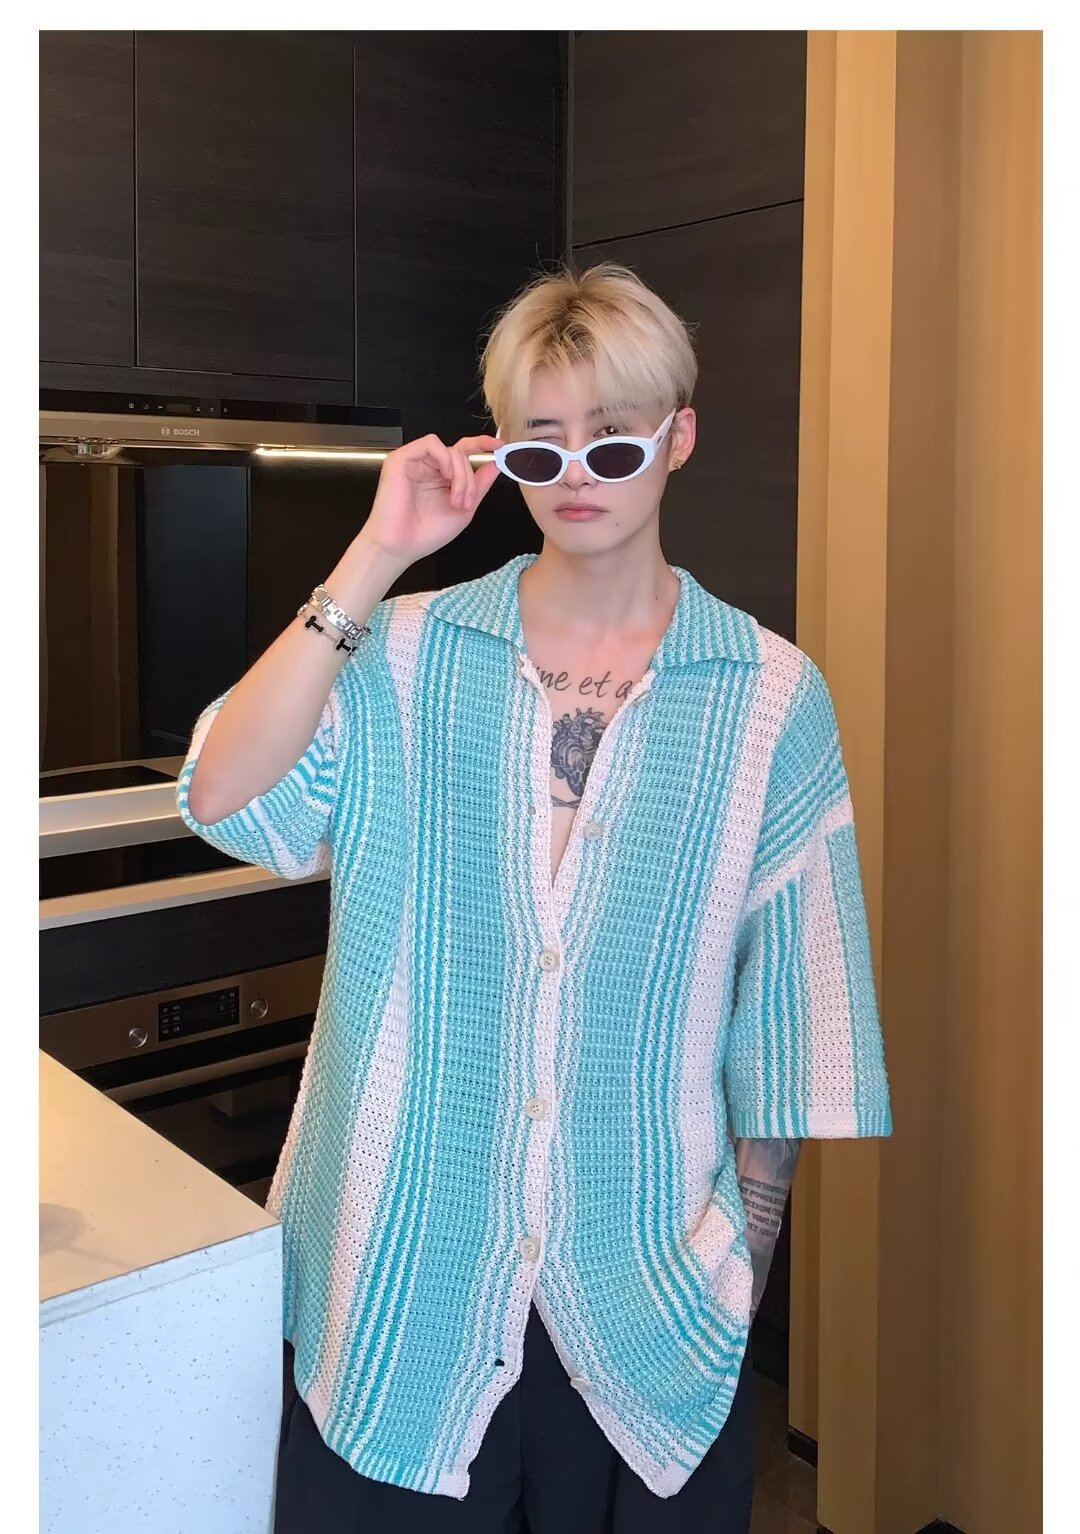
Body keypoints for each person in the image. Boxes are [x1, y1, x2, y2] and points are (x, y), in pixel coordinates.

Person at [177, 262, 893, 1533]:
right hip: (397, 1289)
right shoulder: (403, 653)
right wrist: (376, 553)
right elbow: (225, 794)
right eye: (538, 445)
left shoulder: (771, 698)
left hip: (646, 1310)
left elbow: (796, 1014)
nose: (576, 477)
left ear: (678, 438)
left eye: (612, 442)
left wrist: (742, 1259)